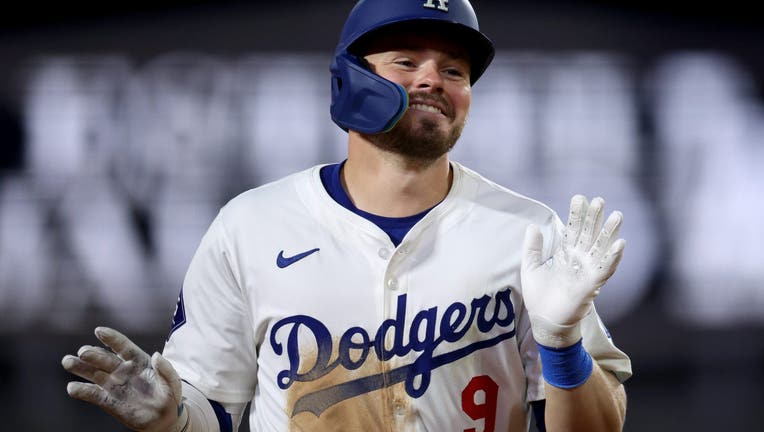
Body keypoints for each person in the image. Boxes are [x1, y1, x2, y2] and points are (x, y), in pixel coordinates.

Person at [61, 1, 632, 431]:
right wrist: (174, 419)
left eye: (455, 71)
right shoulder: (253, 226)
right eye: (405, 61)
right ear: (350, 80)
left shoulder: (527, 234)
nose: (433, 79)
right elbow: (213, 411)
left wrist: (561, 346)